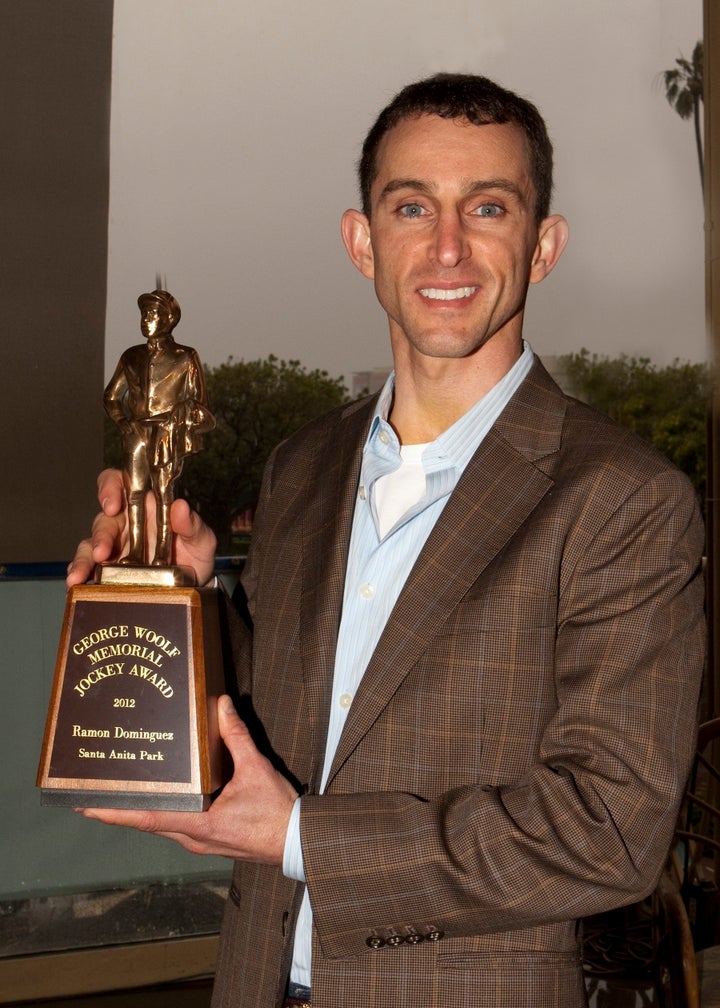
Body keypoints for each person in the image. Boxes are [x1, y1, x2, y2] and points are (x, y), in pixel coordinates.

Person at [68, 74, 706, 1007]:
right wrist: (186, 598)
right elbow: (285, 723)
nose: (447, 247)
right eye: (413, 206)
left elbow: (610, 829)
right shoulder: (302, 467)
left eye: (488, 207)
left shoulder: (623, 499)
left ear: (544, 247)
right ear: (362, 241)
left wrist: (300, 839)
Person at [103, 288, 215, 567]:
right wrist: (123, 421)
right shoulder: (131, 356)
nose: (146, 320)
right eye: (143, 314)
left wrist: (181, 416)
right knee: (134, 494)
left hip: (167, 433)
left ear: (169, 320)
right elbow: (111, 396)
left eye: (153, 314)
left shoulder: (185, 357)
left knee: (165, 493)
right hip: (135, 432)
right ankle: (134, 552)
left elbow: (201, 404)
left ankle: (163, 553)